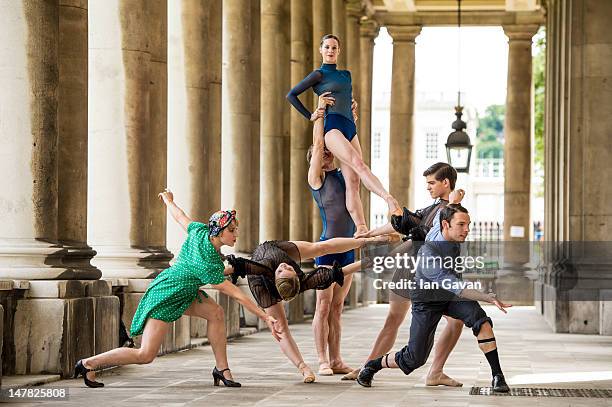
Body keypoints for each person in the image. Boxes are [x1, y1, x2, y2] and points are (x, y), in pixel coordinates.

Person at [73, 190, 281, 389]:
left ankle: (222, 369)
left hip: (185, 291)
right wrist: (265, 316)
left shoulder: (200, 231)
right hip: (167, 294)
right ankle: (88, 364)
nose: (236, 234)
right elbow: (236, 294)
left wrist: (169, 201)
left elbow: (181, 218)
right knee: (145, 355)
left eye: (236, 229)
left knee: (216, 313)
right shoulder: (207, 261)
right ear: (218, 232)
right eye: (231, 230)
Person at [357, 205, 512, 394]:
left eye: (468, 224)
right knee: (415, 358)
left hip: (450, 296)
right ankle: (374, 365)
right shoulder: (430, 255)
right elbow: (460, 289)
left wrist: (455, 197)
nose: (467, 229)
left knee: (481, 321)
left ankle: (498, 376)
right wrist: (487, 297)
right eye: (462, 224)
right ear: (446, 225)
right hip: (426, 299)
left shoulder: (442, 226)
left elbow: (444, 209)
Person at [343, 162, 466, 387]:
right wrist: (370, 233)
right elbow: (400, 224)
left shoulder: (449, 210)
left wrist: (455, 200)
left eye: (432, 183)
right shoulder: (434, 209)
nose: (428, 187)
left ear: (445, 183)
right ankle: (432, 372)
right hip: (419, 272)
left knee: (397, 320)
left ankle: (368, 368)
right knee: (453, 320)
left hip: (421, 272)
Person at [229, 234, 389, 383]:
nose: (285, 266)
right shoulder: (262, 272)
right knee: (280, 328)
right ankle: (303, 367)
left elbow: (337, 268)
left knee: (319, 248)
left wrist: (368, 251)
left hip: (275, 251)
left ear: (298, 276)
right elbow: (235, 267)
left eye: (289, 269)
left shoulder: (300, 278)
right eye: (282, 270)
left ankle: (365, 241)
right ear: (275, 277)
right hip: (260, 279)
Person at [287, 34, 400, 235]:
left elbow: (345, 97)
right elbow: (291, 95)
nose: (330, 50)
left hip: (350, 126)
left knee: (353, 181)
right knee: (359, 164)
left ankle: (361, 227)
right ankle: (388, 198)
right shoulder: (318, 75)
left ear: (339, 51)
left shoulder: (346, 75)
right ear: (321, 50)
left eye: (334, 48)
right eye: (327, 47)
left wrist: (352, 104)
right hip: (333, 127)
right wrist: (311, 115)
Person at [307, 92, 358, 376]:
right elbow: (318, 143)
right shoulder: (318, 179)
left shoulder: (343, 175)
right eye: (323, 153)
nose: (328, 152)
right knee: (323, 306)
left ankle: (337, 359)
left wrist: (351, 119)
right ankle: (322, 360)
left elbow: (352, 153)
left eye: (330, 151)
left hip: (348, 248)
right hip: (327, 248)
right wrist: (320, 114)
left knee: (338, 307)